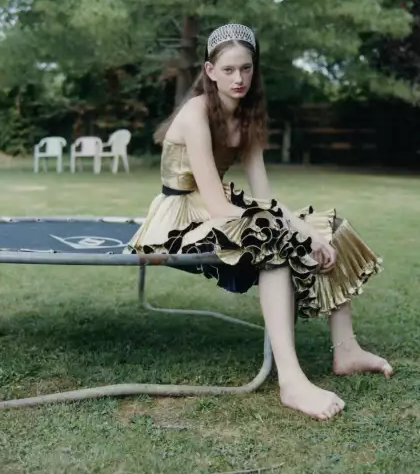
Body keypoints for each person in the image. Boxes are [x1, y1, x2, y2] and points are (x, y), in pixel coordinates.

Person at [125, 23, 392, 421]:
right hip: (181, 218)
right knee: (272, 236)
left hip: (222, 208)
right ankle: (291, 381)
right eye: (229, 70)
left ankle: (347, 349)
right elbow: (216, 204)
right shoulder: (196, 113)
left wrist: (307, 231)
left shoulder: (247, 118)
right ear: (210, 71)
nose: (239, 78)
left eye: (246, 68)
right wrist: (289, 230)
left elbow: (264, 197)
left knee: (328, 228)